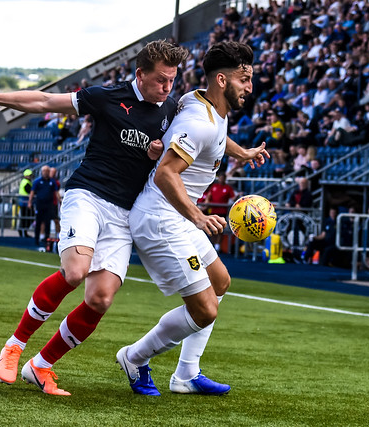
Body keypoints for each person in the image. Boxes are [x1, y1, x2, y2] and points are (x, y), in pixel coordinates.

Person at [0, 39, 190, 396]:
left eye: (172, 80)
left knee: (100, 299)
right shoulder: (105, 96)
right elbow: (43, 101)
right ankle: (14, 346)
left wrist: (157, 153)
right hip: (87, 196)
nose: (167, 88)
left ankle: (40, 367)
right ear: (140, 74)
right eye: (161, 80)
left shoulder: (172, 108)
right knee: (75, 272)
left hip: (124, 213)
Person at [117, 41, 267, 396]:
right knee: (205, 310)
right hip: (160, 220)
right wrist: (198, 216)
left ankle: (186, 375)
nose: (249, 87)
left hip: (178, 216)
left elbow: (215, 136)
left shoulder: (205, 103)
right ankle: (134, 357)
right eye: (244, 79)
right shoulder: (197, 119)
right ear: (221, 80)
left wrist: (241, 152)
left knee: (220, 283)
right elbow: (165, 174)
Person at [204, 172, 237, 251]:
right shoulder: (214, 187)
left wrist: (238, 196)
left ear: (225, 179)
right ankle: (212, 244)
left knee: (220, 229)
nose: (221, 179)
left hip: (222, 211)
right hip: (213, 211)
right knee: (211, 228)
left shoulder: (228, 188)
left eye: (223, 178)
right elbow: (209, 196)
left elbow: (233, 198)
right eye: (220, 178)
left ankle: (217, 245)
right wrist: (206, 202)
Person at [29, 165, 59, 248]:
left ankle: (46, 239)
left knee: (47, 222)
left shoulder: (52, 182)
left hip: (49, 205)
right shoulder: (37, 181)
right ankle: (36, 239)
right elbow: (32, 192)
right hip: (40, 204)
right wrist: (30, 202)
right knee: (38, 222)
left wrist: (60, 200)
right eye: (44, 171)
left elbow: (56, 192)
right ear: (41, 172)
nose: (45, 172)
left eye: (47, 171)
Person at [17, 169, 33, 238]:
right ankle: (23, 231)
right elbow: (30, 191)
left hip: (24, 202)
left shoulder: (24, 181)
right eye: (30, 175)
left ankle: (23, 231)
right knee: (27, 217)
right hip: (25, 203)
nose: (31, 177)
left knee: (25, 218)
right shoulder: (26, 182)